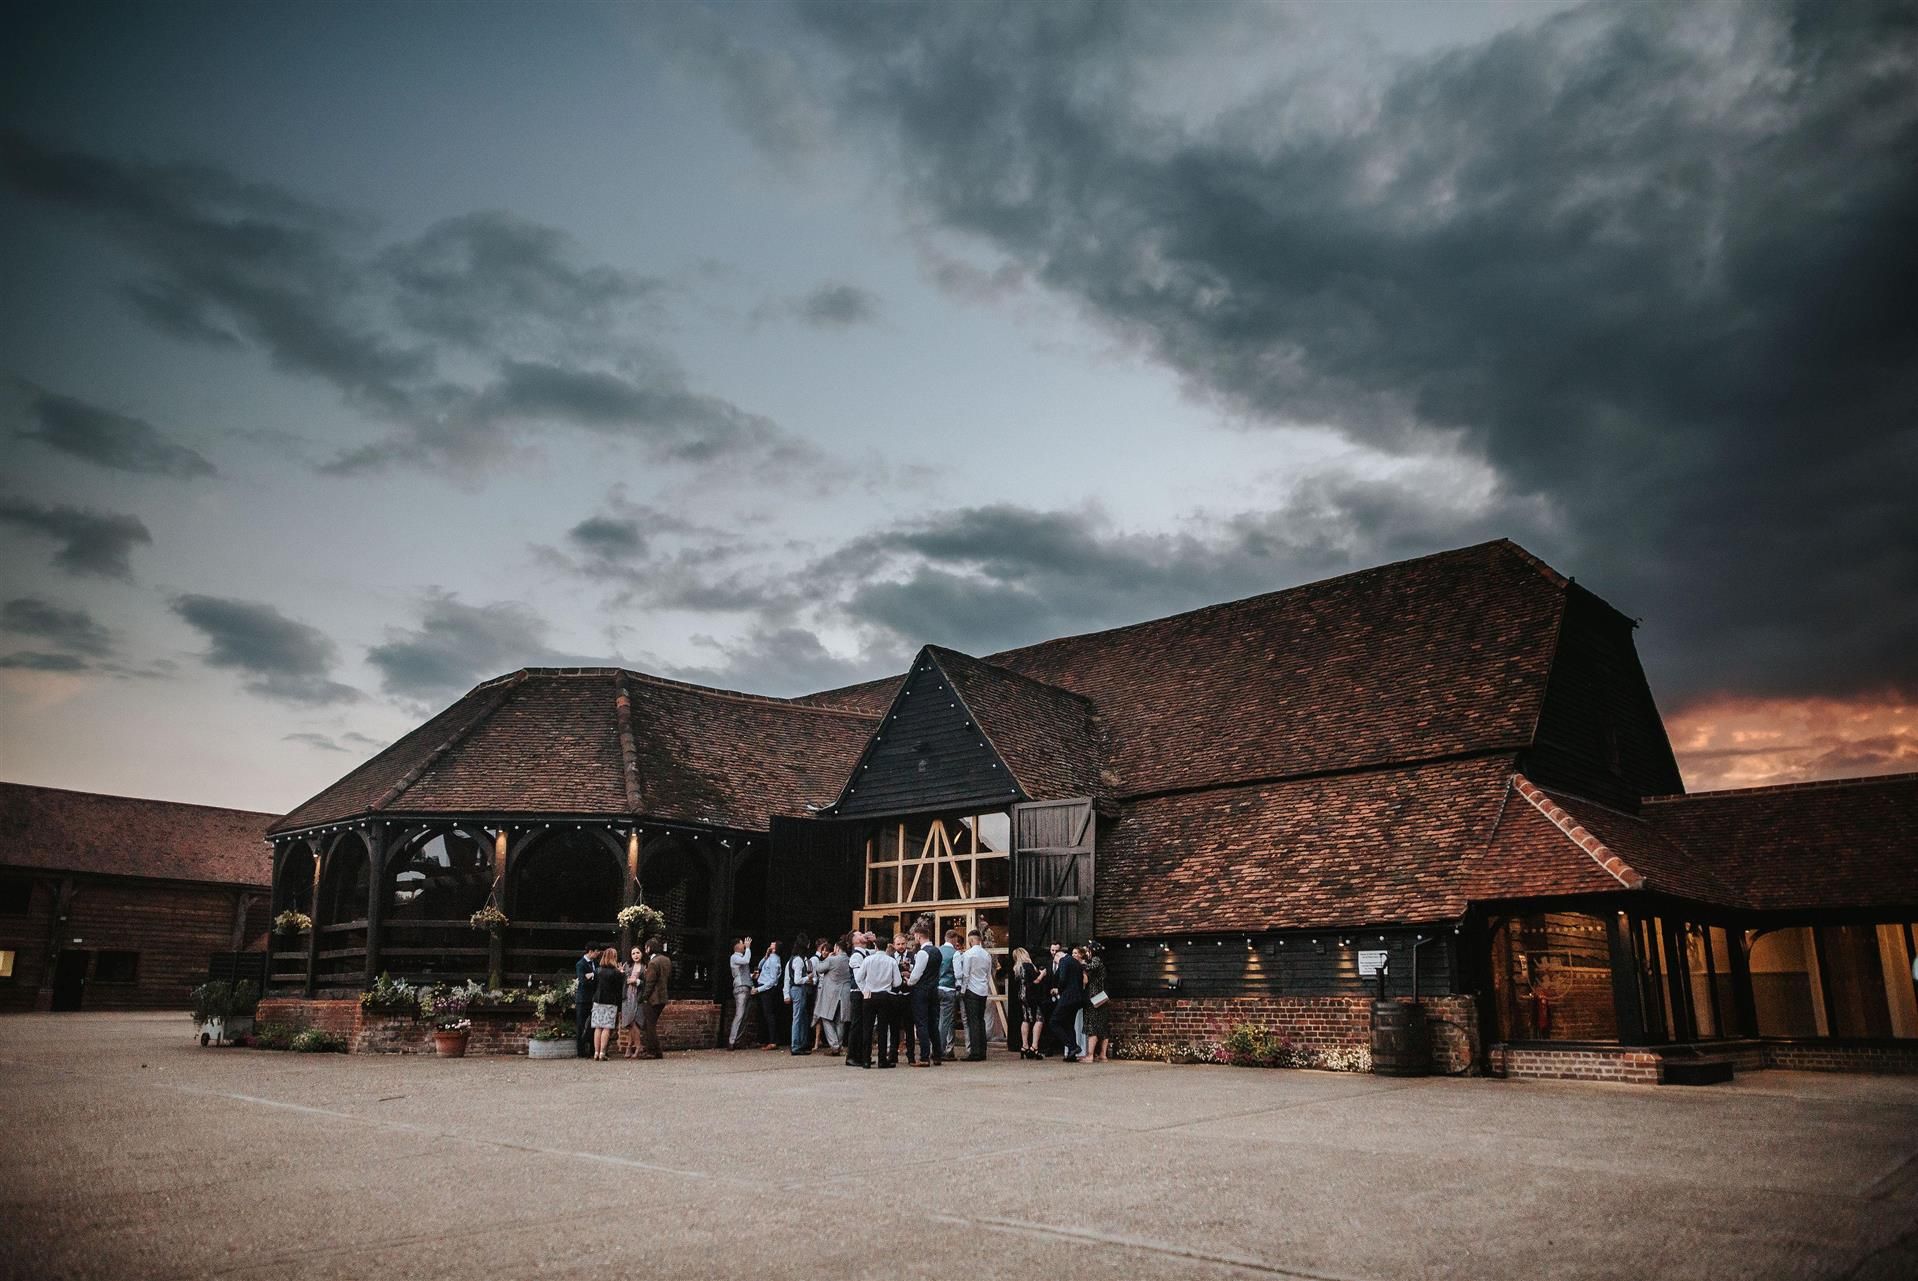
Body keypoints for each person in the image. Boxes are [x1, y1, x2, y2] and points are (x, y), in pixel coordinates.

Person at [855, 934, 901, 1067]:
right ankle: (882, 1059)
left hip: (869, 995)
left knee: (867, 1028)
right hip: (885, 995)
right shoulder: (891, 961)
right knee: (883, 1028)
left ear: (875, 946)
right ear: (887, 947)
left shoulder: (868, 960)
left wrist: (865, 990)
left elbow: (859, 977)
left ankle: (866, 1059)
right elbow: (897, 982)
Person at [905, 924, 943, 1067]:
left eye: (915, 936)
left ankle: (924, 1056)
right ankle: (937, 1055)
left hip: (921, 991)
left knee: (921, 1023)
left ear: (919, 936)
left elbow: (916, 975)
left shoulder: (922, 953)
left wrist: (909, 980)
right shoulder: (937, 951)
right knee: (933, 1023)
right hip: (934, 989)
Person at [956, 929, 993, 1060]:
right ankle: (982, 1050)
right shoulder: (986, 955)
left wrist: (962, 990)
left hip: (971, 989)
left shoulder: (968, 954)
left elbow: (966, 974)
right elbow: (989, 974)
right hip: (983, 989)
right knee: (981, 1020)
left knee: (973, 1022)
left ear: (971, 940)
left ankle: (975, 1052)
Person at [1048, 940, 1085, 1062]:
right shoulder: (1076, 963)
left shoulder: (1063, 961)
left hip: (1067, 998)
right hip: (1077, 998)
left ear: (1058, 955)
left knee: (1054, 1022)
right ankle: (1071, 1054)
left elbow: (1062, 978)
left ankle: (1072, 1046)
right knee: (1069, 1025)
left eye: (1056, 961)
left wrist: (1058, 989)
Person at [635, 935, 672, 1059]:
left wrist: (644, 997)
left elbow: (650, 983)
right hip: (662, 996)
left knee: (649, 1025)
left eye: (646, 947)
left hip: (653, 998)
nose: (645, 950)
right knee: (650, 1024)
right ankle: (653, 1049)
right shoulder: (666, 960)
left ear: (649, 948)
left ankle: (654, 1050)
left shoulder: (653, 963)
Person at [814, 938, 852, 1052]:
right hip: (845, 992)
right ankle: (839, 1044)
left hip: (831, 993)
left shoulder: (832, 960)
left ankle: (834, 1045)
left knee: (826, 1017)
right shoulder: (849, 959)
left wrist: (829, 957)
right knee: (840, 1020)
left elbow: (819, 968)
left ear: (837, 948)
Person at [784, 931, 816, 1055]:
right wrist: (807, 978)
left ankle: (801, 1043)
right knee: (797, 1016)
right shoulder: (798, 960)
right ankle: (796, 1045)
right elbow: (797, 979)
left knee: (801, 1016)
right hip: (798, 989)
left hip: (796, 989)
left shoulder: (794, 959)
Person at [1011, 947, 1046, 1059]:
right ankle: (1034, 1047)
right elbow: (1036, 981)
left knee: (1026, 1019)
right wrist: (1042, 974)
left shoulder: (1017, 968)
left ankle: (1024, 1046)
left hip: (1022, 995)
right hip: (1032, 995)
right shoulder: (1028, 966)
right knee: (1039, 1018)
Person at [844, 932, 872, 1068]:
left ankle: (861, 1054)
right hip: (858, 993)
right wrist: (865, 992)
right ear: (854, 940)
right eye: (859, 934)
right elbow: (859, 978)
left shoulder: (866, 953)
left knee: (863, 1025)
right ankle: (852, 1055)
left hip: (864, 992)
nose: (863, 934)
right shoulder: (856, 955)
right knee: (857, 1024)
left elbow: (881, 952)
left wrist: (874, 940)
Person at [590, 946, 623, 1061]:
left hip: (598, 1000)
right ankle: (602, 1053)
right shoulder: (616, 973)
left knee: (598, 1027)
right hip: (610, 1002)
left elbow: (593, 986)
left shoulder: (597, 971)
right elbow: (619, 989)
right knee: (607, 1028)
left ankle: (596, 1052)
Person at [1082, 942, 1110, 1062]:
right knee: (1102, 1026)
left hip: (1094, 997)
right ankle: (1103, 1055)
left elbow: (1088, 967)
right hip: (1102, 997)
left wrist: (1080, 962)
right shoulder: (1102, 961)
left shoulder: (1096, 960)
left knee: (1092, 1025)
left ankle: (1090, 1055)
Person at [754, 939, 784, 1050]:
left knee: (769, 1015)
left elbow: (772, 980)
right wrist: (766, 956)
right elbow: (760, 966)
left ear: (775, 948)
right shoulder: (769, 958)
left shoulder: (774, 961)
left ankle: (773, 1040)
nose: (770, 945)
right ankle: (765, 1039)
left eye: (772, 944)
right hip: (764, 988)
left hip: (767, 989)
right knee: (764, 1015)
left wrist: (759, 989)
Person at [937, 928, 961, 1059]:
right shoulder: (955, 954)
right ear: (954, 939)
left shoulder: (937, 951)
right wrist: (959, 987)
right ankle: (941, 1049)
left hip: (936, 988)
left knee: (936, 1020)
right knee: (945, 1022)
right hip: (948, 988)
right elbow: (958, 973)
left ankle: (933, 1046)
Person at [619, 944, 645, 1059]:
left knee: (635, 1022)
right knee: (629, 1022)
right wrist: (621, 973)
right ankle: (632, 1046)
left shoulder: (645, 966)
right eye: (633, 953)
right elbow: (622, 981)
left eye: (637, 953)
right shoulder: (627, 965)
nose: (635, 955)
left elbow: (647, 983)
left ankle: (636, 1046)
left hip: (638, 996)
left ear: (642, 953)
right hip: (627, 996)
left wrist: (637, 981)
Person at [727, 936, 753, 1049]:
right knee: (740, 1014)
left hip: (746, 986)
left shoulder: (741, 957)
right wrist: (748, 948)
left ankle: (738, 1040)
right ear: (737, 946)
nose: (744, 945)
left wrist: (752, 976)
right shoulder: (734, 957)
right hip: (741, 988)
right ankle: (732, 1041)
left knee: (745, 1016)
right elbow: (746, 960)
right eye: (742, 943)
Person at [574, 942, 598, 1059]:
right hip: (583, 999)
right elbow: (582, 980)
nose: (598, 954)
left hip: (593, 998)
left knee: (593, 1025)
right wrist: (592, 976)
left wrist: (591, 975)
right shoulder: (580, 964)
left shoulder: (595, 963)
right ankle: (580, 1051)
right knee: (581, 1025)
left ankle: (593, 1049)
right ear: (591, 951)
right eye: (596, 951)